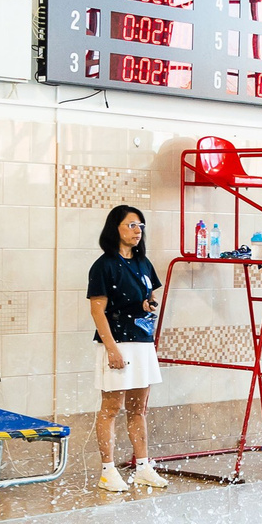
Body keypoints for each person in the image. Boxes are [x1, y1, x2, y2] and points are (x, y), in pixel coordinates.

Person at [87, 204, 167, 493]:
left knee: (138, 408)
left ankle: (143, 467)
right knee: (111, 408)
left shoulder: (143, 263)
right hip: (116, 341)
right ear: (116, 228)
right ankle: (107, 470)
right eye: (131, 225)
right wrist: (111, 349)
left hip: (141, 341)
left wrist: (147, 304)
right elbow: (97, 311)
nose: (137, 231)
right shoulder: (103, 265)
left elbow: (149, 296)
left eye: (140, 226)